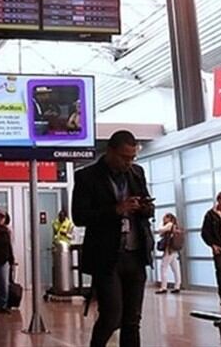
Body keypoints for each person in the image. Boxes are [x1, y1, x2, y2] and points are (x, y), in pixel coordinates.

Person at [72, 130, 154, 347]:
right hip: (106, 256)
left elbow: (148, 208)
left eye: (132, 157)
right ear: (110, 151)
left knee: (132, 320)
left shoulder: (137, 173)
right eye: (124, 157)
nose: (129, 162)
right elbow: (79, 216)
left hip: (135, 254)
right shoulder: (86, 176)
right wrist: (116, 210)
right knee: (111, 316)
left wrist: (144, 207)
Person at [0, 210, 15, 314]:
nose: (0, 219)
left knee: (4, 285)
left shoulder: (6, 231)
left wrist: (12, 261)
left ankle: (3, 306)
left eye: (2, 217)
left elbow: (9, 247)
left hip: (4, 262)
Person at [155, 213, 182, 294]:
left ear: (169, 218)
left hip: (169, 250)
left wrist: (162, 223)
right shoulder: (175, 226)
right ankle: (177, 286)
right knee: (175, 269)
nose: (164, 219)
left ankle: (163, 287)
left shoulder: (170, 224)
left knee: (163, 267)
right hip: (174, 250)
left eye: (165, 218)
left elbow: (160, 230)